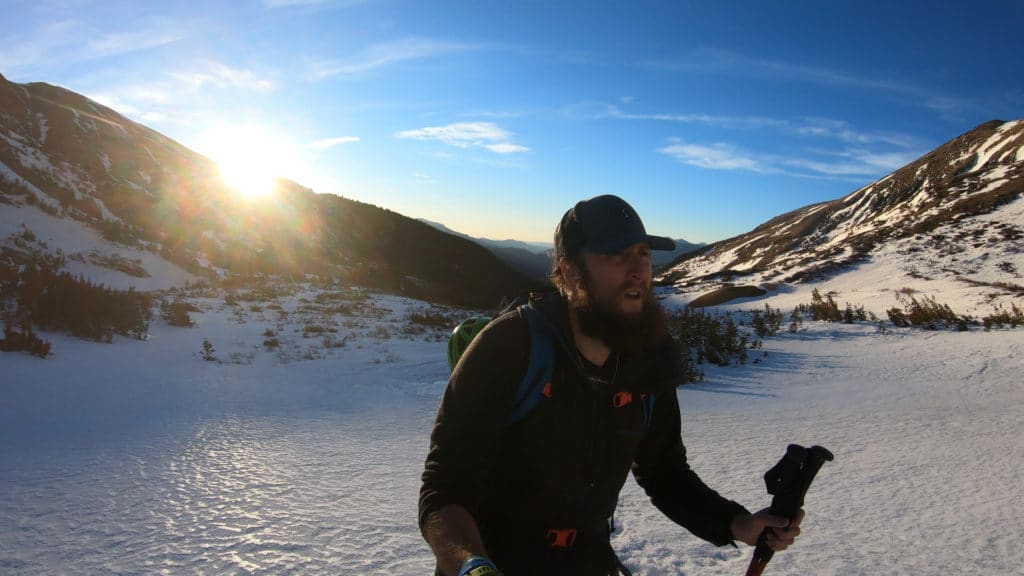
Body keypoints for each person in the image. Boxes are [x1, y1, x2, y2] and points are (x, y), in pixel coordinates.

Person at [419, 195, 803, 576]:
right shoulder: (510, 347)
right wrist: (471, 566)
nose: (639, 270)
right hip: (493, 560)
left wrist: (738, 523)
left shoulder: (646, 361)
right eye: (618, 256)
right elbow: (443, 490)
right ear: (570, 273)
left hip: (587, 562)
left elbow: (664, 472)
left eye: (643, 254)